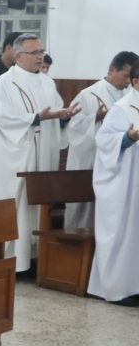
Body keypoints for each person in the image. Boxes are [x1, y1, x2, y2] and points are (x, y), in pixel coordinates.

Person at [0, 34, 78, 272]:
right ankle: (13, 260)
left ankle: (34, 258)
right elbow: (4, 119)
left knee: (38, 206)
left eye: (42, 51)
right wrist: (37, 118)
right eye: (35, 53)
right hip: (16, 157)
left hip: (42, 154)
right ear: (18, 56)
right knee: (17, 205)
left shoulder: (47, 83)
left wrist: (64, 116)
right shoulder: (4, 83)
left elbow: (55, 111)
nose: (40, 57)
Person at [64, 51, 138, 229]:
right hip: (88, 158)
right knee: (82, 210)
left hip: (119, 163)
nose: (128, 81)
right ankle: (74, 243)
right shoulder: (88, 94)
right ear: (112, 69)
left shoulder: (131, 96)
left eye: (131, 77)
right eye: (125, 76)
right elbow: (72, 127)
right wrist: (96, 117)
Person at [88, 62, 139, 304]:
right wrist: (127, 138)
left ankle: (134, 286)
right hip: (123, 185)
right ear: (136, 82)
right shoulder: (122, 108)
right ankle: (114, 288)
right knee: (121, 235)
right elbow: (103, 141)